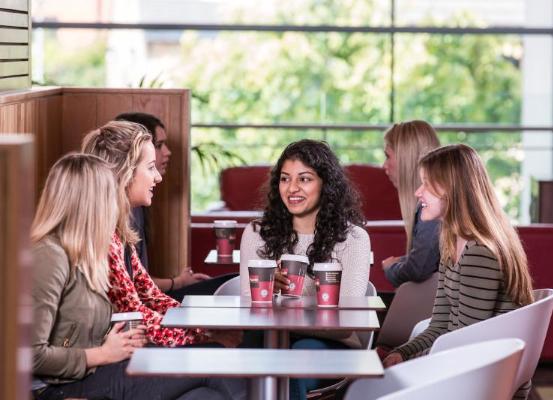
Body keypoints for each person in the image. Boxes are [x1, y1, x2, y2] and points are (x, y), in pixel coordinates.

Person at [31, 153, 243, 400]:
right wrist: (103, 353)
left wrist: (123, 340)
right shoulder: (49, 256)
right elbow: (30, 355)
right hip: (61, 387)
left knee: (205, 395)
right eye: (111, 196)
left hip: (97, 370)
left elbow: (81, 326)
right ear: (90, 202)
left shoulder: (86, 252)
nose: (116, 205)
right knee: (216, 359)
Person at [382, 144, 534, 399]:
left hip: (481, 379)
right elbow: (442, 323)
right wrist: (403, 353)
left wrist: (409, 366)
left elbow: (463, 345)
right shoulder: (452, 242)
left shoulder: (479, 252)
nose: (418, 192)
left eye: (427, 184)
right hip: (468, 369)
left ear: (452, 190)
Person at [82, 121, 242, 349]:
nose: (157, 177)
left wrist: (207, 327)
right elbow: (135, 316)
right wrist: (206, 336)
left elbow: (151, 296)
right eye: (150, 168)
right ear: (124, 173)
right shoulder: (102, 236)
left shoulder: (117, 229)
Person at [239, 139, 371, 400]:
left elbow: (345, 325)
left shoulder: (354, 239)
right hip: (270, 339)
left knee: (292, 363)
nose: (292, 188)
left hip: (332, 345)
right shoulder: (256, 233)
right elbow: (247, 313)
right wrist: (267, 294)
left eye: (305, 179)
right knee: (254, 351)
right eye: (285, 179)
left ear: (326, 184)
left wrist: (282, 308)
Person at [115, 112, 232, 299]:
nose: (167, 152)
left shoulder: (139, 203)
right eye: (159, 145)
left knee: (231, 284)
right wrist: (177, 283)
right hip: (139, 308)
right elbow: (132, 284)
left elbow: (138, 277)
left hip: (148, 301)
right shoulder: (119, 210)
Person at [381, 120, 441, 288]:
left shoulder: (430, 207)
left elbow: (419, 269)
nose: (384, 166)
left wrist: (391, 268)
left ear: (406, 158)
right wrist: (405, 260)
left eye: (387, 156)